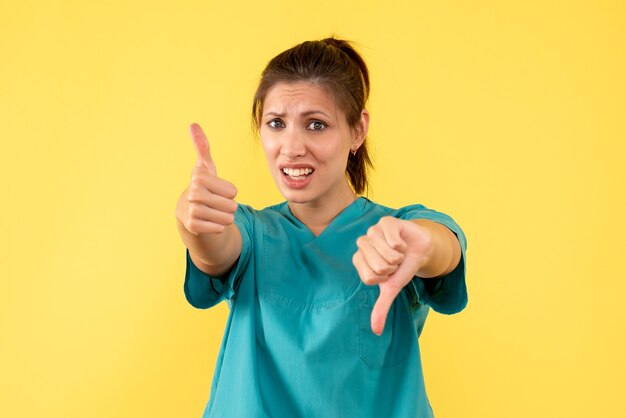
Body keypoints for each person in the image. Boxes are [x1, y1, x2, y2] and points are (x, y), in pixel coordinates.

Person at [175, 37, 468, 418]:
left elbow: (441, 244)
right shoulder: (252, 232)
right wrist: (194, 219)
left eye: (316, 124)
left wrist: (425, 246)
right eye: (276, 124)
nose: (291, 147)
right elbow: (216, 247)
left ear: (357, 131)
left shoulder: (396, 230)